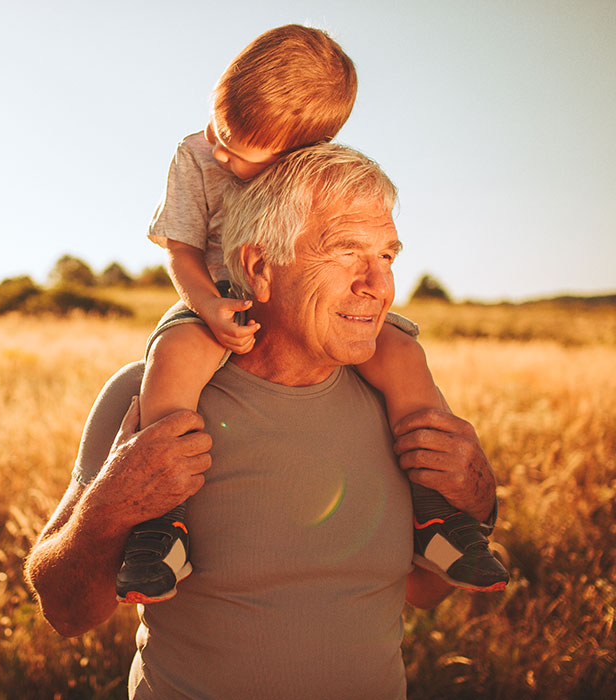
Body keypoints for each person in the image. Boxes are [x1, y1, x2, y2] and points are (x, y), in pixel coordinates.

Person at [25, 144, 505, 698]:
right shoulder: (148, 396)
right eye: (347, 252)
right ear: (258, 267)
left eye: (388, 256)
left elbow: (423, 589)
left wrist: (477, 501)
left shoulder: (403, 402)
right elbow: (65, 611)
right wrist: (110, 508)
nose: (378, 284)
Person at [120, 24, 507, 603]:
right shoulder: (193, 155)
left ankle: (438, 517)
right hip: (215, 293)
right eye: (218, 128)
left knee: (402, 352)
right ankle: (161, 525)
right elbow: (179, 247)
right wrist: (209, 305)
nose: (219, 152)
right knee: (176, 353)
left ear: (297, 151)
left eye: (239, 149)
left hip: (285, 297)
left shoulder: (308, 173)